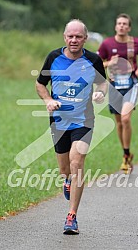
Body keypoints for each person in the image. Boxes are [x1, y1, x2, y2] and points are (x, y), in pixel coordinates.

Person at [36, 19, 107, 234]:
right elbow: (40, 83)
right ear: (64, 37)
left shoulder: (93, 60)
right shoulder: (53, 57)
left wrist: (100, 92)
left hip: (83, 120)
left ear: (85, 39)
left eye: (78, 36)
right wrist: (48, 100)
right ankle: (66, 180)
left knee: (77, 163)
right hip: (59, 121)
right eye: (71, 36)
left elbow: (103, 82)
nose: (74, 40)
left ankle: (72, 216)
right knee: (65, 169)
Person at [97, 13, 138, 173]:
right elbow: (97, 63)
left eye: (125, 24)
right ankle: (126, 152)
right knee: (119, 122)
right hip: (114, 85)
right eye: (119, 23)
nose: (122, 26)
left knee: (125, 119)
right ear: (115, 26)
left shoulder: (136, 43)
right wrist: (109, 63)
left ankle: (125, 156)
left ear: (129, 27)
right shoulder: (106, 44)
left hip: (131, 84)